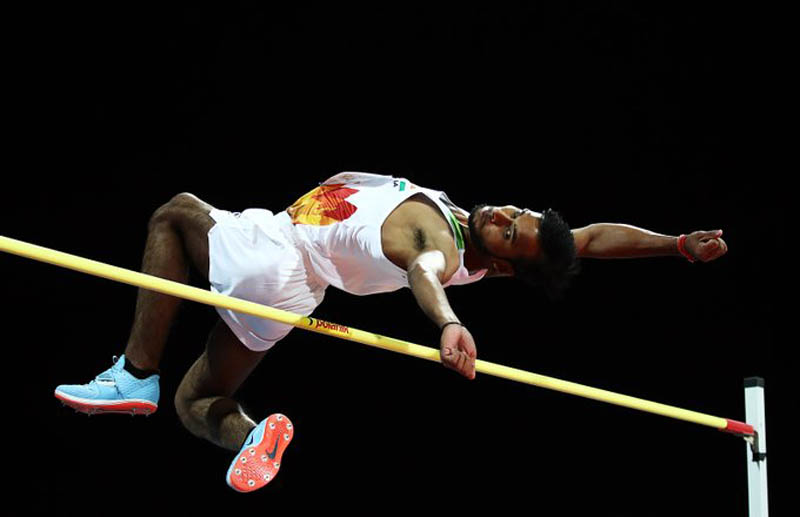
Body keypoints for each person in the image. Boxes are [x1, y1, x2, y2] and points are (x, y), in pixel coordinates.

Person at [54, 171, 728, 492]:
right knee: (197, 401)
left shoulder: (443, 243)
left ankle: (133, 372)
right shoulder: (474, 230)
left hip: (280, 252)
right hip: (293, 288)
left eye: (508, 232)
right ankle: (254, 435)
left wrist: (449, 322)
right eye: (516, 212)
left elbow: (425, 271)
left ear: (498, 266)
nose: (504, 216)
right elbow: (589, 238)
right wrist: (675, 245)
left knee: (175, 213)